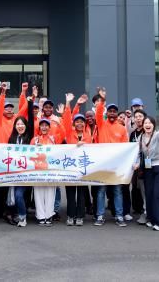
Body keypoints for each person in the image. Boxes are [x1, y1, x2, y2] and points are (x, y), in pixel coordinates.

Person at [92, 88, 129, 227]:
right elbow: (98, 112)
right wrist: (102, 99)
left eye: (114, 111)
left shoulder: (122, 128)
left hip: (117, 165)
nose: (112, 113)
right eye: (110, 111)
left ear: (117, 113)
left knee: (117, 190)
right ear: (107, 113)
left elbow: (125, 147)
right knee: (101, 190)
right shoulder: (101, 124)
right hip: (103, 164)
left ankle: (119, 216)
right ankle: (100, 215)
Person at [61, 95, 94, 226]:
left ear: (84, 124)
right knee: (70, 193)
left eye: (82, 122)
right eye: (77, 122)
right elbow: (66, 118)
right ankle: (70, 216)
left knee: (81, 194)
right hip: (70, 168)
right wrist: (68, 103)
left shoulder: (88, 135)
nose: (79, 123)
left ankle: (80, 216)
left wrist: (83, 144)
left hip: (82, 168)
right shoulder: (69, 133)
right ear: (74, 124)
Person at [7, 86, 37, 227]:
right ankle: (19, 215)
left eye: (22, 124)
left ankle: (23, 217)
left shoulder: (29, 135)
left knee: (20, 195)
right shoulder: (12, 138)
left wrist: (30, 101)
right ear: (15, 126)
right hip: (14, 173)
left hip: (27, 172)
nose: (20, 126)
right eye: (17, 124)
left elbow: (30, 118)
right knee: (15, 196)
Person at [135, 115, 159, 231]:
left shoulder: (158, 135)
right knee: (149, 194)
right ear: (143, 125)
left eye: (150, 123)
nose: (147, 125)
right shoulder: (140, 138)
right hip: (148, 168)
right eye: (145, 123)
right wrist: (137, 164)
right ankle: (151, 219)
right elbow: (139, 154)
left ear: (154, 125)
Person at [31, 113, 60, 226]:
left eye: (46, 125)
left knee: (50, 194)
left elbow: (63, 133)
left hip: (50, 171)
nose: (44, 127)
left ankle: (49, 216)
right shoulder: (35, 140)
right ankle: (40, 216)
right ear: (39, 127)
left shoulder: (54, 138)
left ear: (49, 127)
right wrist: (34, 148)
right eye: (42, 125)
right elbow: (28, 154)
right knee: (38, 194)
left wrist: (59, 123)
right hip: (37, 171)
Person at [130, 108, 147, 223]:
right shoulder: (133, 133)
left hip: (145, 163)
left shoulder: (147, 131)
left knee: (143, 186)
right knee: (135, 185)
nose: (138, 119)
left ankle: (145, 209)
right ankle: (137, 208)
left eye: (140, 116)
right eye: (136, 117)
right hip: (134, 163)